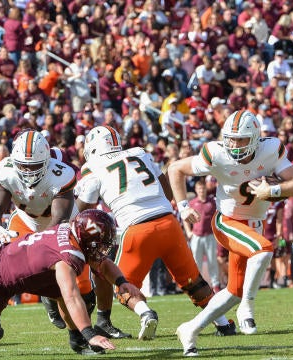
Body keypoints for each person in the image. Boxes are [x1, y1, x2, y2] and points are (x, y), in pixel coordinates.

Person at [169, 110, 293, 356]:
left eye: (241, 139)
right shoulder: (216, 153)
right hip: (227, 220)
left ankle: (190, 329)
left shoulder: (271, 150)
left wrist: (273, 191)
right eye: (231, 138)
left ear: (255, 138)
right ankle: (248, 306)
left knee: (234, 291)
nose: (234, 145)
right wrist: (183, 207)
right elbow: (175, 169)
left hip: (254, 223)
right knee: (264, 250)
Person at [75, 125, 235, 342]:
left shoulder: (92, 166)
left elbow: (83, 210)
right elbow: (167, 191)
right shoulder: (140, 153)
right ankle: (225, 325)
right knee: (193, 282)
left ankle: (145, 313)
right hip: (169, 224)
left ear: (92, 148)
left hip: (137, 229)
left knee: (121, 284)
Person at [0, 210, 147, 359]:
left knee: (57, 290)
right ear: (87, 239)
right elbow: (71, 295)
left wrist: (121, 282)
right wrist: (90, 333)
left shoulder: (70, 231)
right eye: (100, 243)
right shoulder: (69, 255)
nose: (102, 249)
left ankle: (75, 340)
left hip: (24, 270)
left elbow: (103, 263)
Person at [0, 130, 106, 358]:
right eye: (24, 166)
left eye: (34, 166)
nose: (28, 171)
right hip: (24, 220)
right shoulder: (6, 170)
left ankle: (76, 333)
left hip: (57, 225)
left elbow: (58, 220)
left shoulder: (61, 174)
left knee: (79, 290)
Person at [183, 178, 221, 291]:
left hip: (209, 235)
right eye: (199, 189)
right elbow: (185, 219)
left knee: (212, 261)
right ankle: (198, 285)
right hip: (196, 236)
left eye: (203, 188)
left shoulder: (212, 202)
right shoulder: (192, 203)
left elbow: (218, 217)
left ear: (206, 189)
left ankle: (216, 285)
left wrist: (217, 232)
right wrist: (188, 232)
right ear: (196, 190)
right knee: (196, 262)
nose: (201, 191)